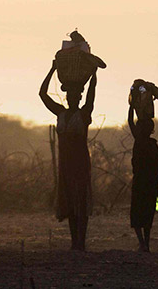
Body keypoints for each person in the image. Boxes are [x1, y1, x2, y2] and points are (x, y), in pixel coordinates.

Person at [40, 60, 96, 251]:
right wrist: (53, 69)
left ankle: (81, 242)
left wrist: (94, 75)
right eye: (70, 95)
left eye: (76, 95)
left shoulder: (84, 114)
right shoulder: (60, 113)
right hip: (65, 164)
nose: (72, 98)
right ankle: (75, 242)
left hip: (79, 163)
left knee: (81, 201)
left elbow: (92, 95)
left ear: (79, 97)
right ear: (66, 96)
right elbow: (42, 94)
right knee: (71, 203)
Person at [128, 98, 158, 251]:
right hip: (150, 183)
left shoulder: (139, 141)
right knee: (147, 213)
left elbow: (129, 121)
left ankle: (142, 243)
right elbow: (157, 167)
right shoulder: (152, 145)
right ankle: (145, 243)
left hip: (141, 182)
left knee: (137, 213)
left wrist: (131, 106)